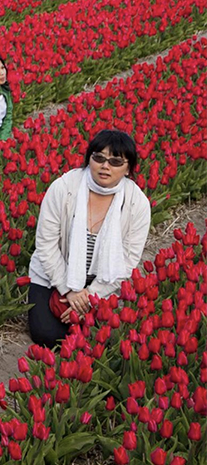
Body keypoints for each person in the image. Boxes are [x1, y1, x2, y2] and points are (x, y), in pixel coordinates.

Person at [26, 129, 150, 347]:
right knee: (47, 335)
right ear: (89, 158)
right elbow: (46, 245)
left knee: (105, 337)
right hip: (55, 274)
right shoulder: (64, 188)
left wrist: (90, 297)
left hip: (102, 281)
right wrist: (69, 291)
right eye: (99, 158)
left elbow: (127, 260)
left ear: (128, 168)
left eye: (115, 162)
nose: (105, 166)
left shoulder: (136, 204)